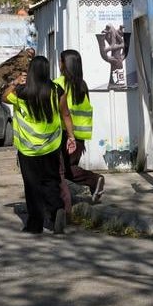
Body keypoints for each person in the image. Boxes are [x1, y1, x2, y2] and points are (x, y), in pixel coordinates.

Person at [3, 56, 76, 235]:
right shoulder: (57, 91)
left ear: (31, 72)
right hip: (51, 146)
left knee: (32, 185)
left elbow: (4, 97)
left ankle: (35, 224)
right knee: (51, 180)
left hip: (28, 148)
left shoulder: (21, 92)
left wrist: (15, 82)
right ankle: (56, 210)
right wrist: (71, 136)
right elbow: (66, 114)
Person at [54, 50, 105, 205]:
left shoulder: (59, 84)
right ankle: (93, 181)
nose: (59, 64)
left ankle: (64, 203)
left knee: (61, 170)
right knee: (68, 169)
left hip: (65, 134)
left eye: (61, 61)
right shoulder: (82, 85)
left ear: (65, 64)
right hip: (80, 136)